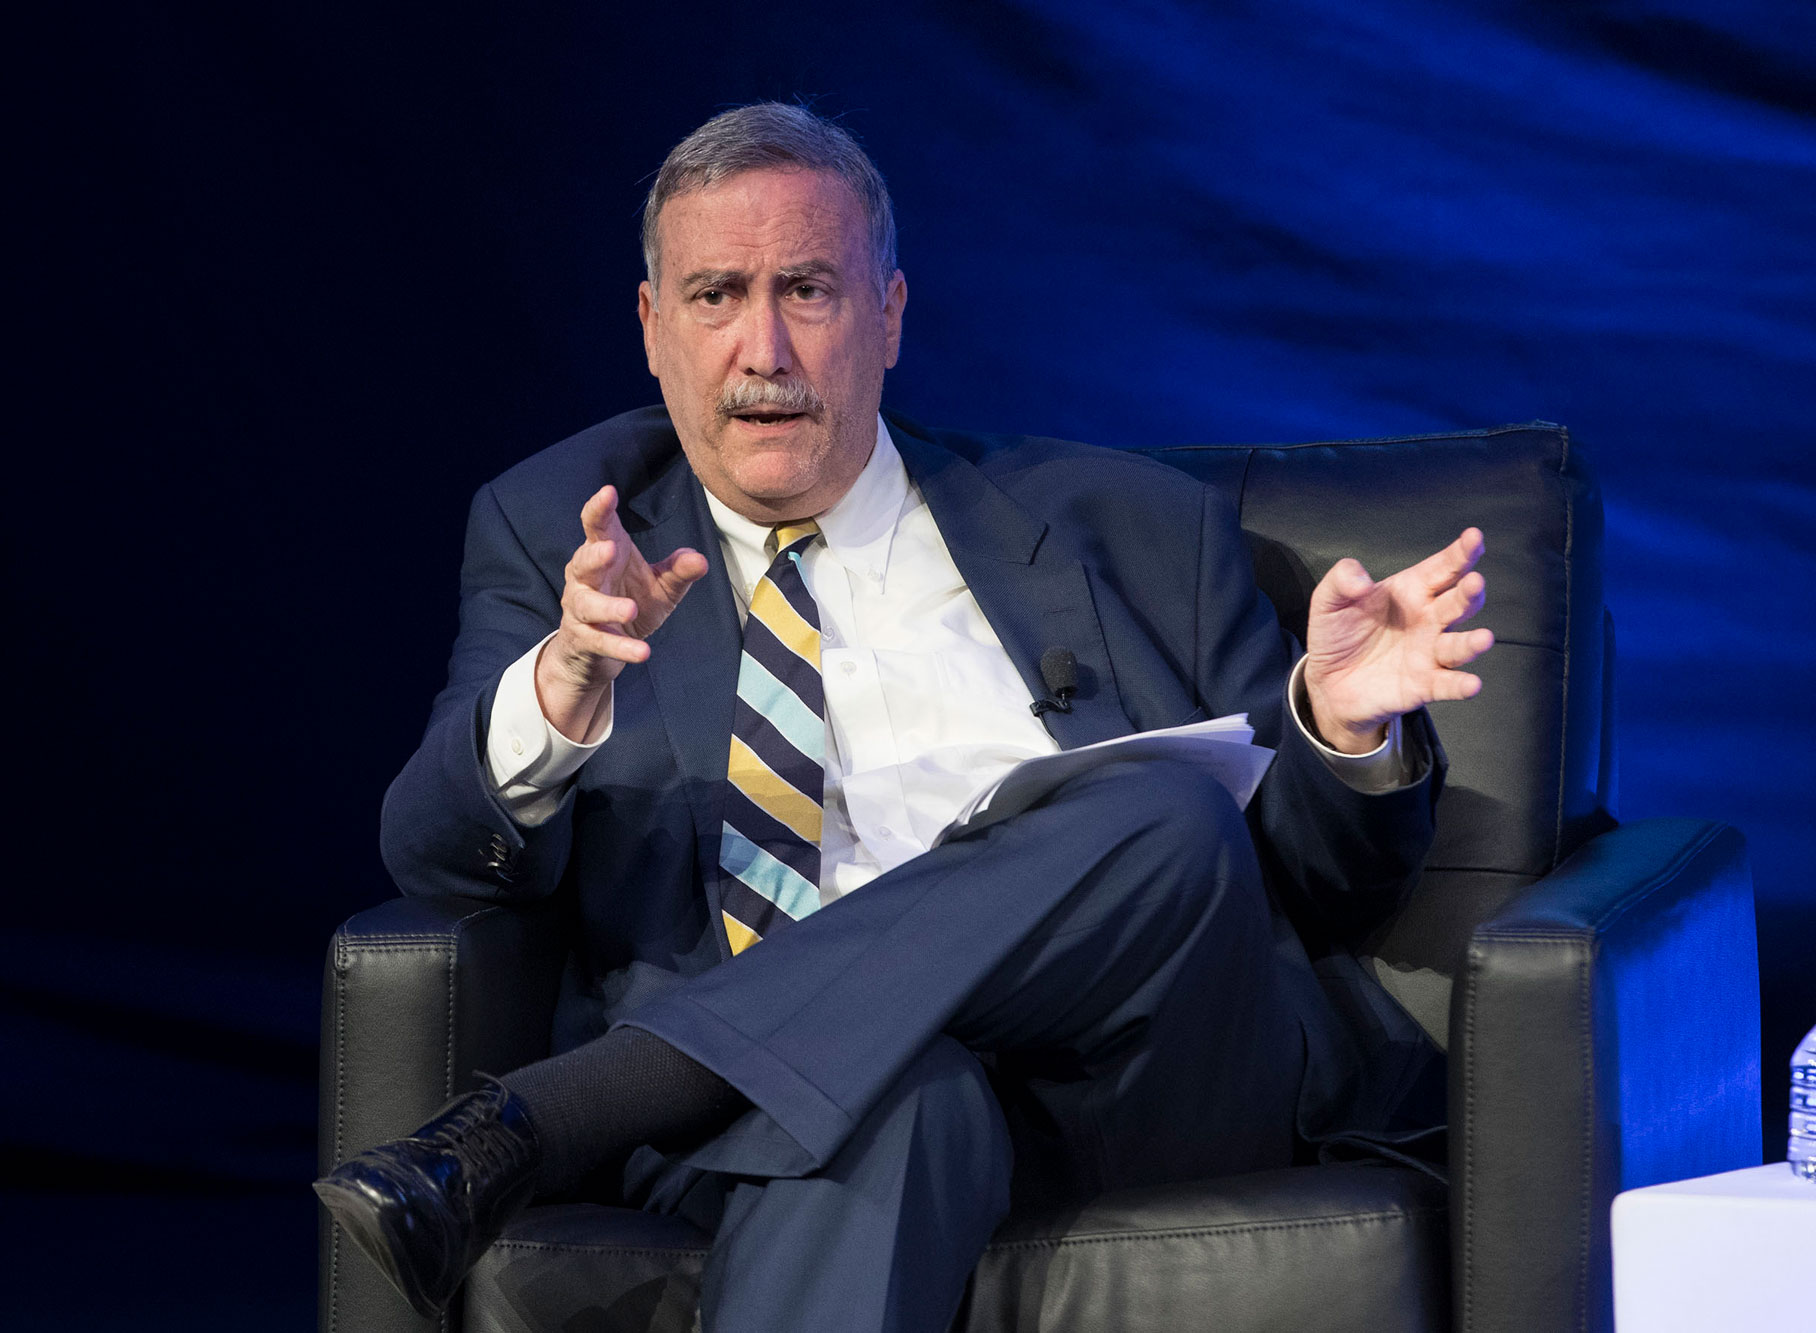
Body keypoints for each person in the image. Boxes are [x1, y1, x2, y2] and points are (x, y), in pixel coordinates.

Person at [316, 102, 1492, 1330]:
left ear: (887, 315)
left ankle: (553, 1113)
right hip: (774, 1121)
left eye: (808, 290)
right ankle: (682, 1086)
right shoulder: (561, 524)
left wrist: (1339, 727)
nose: (761, 346)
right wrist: (557, 693)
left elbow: (1324, 883)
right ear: (653, 329)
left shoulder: (1129, 526)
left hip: (1137, 1091)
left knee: (1161, 816)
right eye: (716, 295)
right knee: (897, 1095)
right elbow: (434, 850)